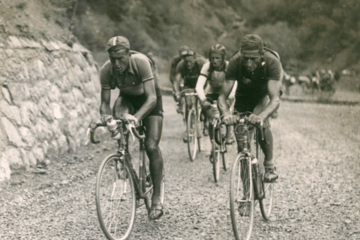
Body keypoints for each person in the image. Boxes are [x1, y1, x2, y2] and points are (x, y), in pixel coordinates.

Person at [97, 36, 164, 220]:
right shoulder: (107, 70)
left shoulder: (141, 62)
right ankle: (127, 167)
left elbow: (151, 98)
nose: (116, 63)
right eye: (113, 59)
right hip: (127, 98)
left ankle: (157, 197)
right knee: (118, 126)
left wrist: (136, 118)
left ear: (129, 54)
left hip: (149, 100)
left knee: (151, 145)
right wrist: (106, 117)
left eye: (120, 58)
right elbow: (104, 103)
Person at [218, 34, 282, 182]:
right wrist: (226, 114)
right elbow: (222, 97)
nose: (248, 63)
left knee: (262, 124)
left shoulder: (272, 61)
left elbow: (274, 99)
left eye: (253, 58)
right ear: (241, 53)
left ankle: (269, 165)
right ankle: (247, 194)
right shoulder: (235, 62)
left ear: (262, 53)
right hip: (244, 95)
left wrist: (261, 116)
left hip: (264, 94)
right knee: (242, 141)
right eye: (245, 57)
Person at [195, 44, 236, 144]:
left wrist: (231, 95)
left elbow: (235, 83)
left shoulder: (229, 66)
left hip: (225, 93)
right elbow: (199, 86)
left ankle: (230, 133)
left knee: (229, 110)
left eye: (217, 58)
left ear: (223, 58)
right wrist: (203, 100)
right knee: (211, 119)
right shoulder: (207, 66)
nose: (214, 61)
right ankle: (213, 145)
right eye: (212, 58)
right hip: (211, 92)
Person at [173, 48, 207, 141]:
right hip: (189, 84)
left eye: (191, 61)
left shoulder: (202, 63)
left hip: (202, 84)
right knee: (189, 105)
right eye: (186, 61)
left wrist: (205, 92)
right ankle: (190, 129)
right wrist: (177, 92)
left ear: (195, 58)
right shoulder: (180, 65)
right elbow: (177, 80)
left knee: (205, 101)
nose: (188, 64)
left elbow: (208, 78)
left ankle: (206, 119)